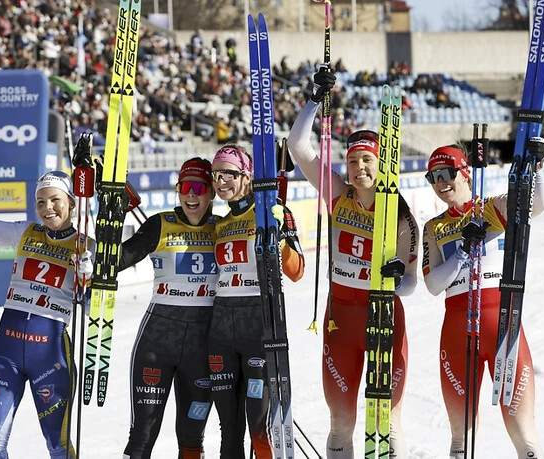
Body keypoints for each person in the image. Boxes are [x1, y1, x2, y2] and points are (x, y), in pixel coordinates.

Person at [287, 69, 419, 459]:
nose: (359, 167)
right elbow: (297, 146)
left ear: (383, 164)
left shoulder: (399, 215)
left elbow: (411, 283)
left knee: (386, 419)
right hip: (340, 318)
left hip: (383, 318)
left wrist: (397, 279)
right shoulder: (337, 194)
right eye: (353, 160)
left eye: (367, 160)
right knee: (341, 422)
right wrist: (315, 99)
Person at [421, 145, 544, 458]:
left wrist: (537, 165)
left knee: (526, 439)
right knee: (461, 442)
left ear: (465, 171)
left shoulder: (493, 207)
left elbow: (539, 204)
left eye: (445, 173)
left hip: (502, 323)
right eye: (432, 177)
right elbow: (434, 284)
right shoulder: (433, 227)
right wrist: (463, 250)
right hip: (457, 329)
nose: (440, 182)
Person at [0, 171, 93, 459]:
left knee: (57, 446)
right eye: (40, 202)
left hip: (50, 355)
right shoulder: (24, 231)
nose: (47, 208)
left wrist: (88, 276)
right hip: (6, 351)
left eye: (55, 200)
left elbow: (91, 305)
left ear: (71, 203)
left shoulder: (86, 246)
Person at [208, 144, 305, 458]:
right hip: (222, 327)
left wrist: (278, 239)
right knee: (229, 429)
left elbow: (298, 271)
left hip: (258, 324)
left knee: (260, 426)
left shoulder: (273, 211)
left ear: (247, 176)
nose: (221, 181)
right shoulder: (219, 225)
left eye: (229, 174)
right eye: (216, 174)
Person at [119, 158, 218, 459]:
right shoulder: (159, 224)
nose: (191, 196)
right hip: (158, 340)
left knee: (191, 436)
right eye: (184, 188)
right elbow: (118, 260)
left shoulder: (223, 228)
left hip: (202, 345)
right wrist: (110, 217)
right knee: (143, 434)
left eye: (198, 188)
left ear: (212, 192)